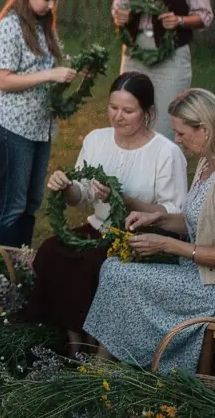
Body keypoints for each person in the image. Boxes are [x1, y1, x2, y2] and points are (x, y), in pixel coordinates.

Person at [28, 73, 187, 353]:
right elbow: (81, 195)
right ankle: (73, 340)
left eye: (128, 111)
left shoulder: (166, 153)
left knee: (92, 263)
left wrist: (123, 200)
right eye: (113, 108)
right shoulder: (96, 140)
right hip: (99, 228)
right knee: (52, 250)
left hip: (139, 237)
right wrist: (65, 187)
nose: (118, 117)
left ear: (148, 112)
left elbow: (173, 212)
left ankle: (97, 342)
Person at [85, 88, 215, 372]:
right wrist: (154, 218)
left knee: (120, 274)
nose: (177, 140)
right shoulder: (207, 163)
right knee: (114, 268)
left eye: (181, 133)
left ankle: (106, 367)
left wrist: (167, 245)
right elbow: (196, 222)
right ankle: (108, 364)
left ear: (205, 129)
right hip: (201, 274)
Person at [0, 0, 77, 248]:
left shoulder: (43, 27)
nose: (51, 6)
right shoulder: (10, 26)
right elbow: (4, 80)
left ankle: (19, 264)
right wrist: (50, 74)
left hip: (39, 126)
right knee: (13, 202)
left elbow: (44, 70)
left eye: (55, 0)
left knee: (31, 201)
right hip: (12, 125)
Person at [112, 0, 213, 138]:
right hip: (135, 54)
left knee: (165, 126)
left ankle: (162, 173)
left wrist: (179, 20)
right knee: (128, 119)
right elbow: (118, 7)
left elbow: (205, 15)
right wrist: (121, 16)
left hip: (171, 57)